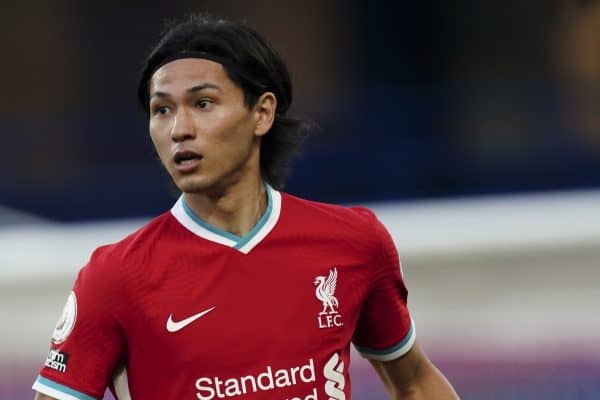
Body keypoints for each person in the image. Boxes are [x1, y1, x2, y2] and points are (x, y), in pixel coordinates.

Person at [33, 14, 459, 400]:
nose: (180, 129)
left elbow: (415, 382)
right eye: (162, 109)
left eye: (202, 104)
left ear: (262, 113)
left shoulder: (353, 243)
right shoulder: (115, 277)